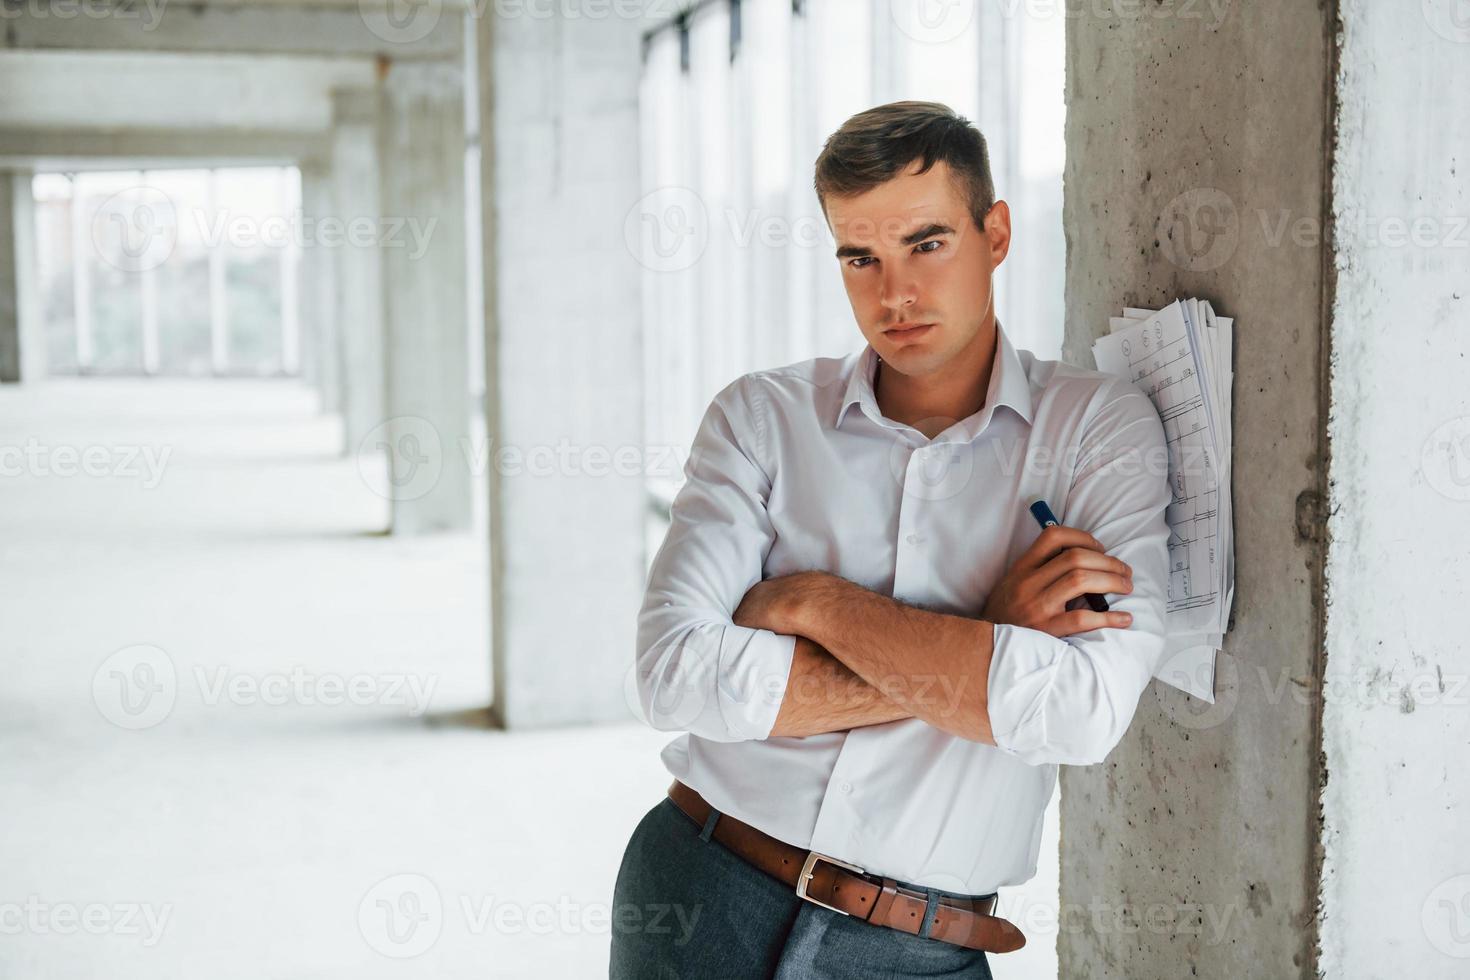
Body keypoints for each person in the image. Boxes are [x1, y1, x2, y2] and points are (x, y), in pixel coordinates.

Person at [610, 100, 1171, 979]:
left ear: (996, 232)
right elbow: (675, 677)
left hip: (921, 949)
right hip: (703, 889)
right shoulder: (762, 417)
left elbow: (1079, 712)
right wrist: (989, 637)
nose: (893, 293)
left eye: (927, 244)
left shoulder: (1098, 430)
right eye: (859, 257)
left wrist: (815, 603)